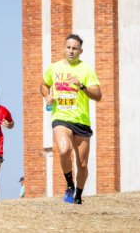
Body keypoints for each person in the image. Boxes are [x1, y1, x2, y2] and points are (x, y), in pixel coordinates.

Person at [40, 34, 101, 204]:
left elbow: (98, 95)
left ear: (80, 51)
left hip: (81, 120)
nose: (71, 51)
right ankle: (69, 185)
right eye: (68, 47)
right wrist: (47, 95)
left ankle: (78, 196)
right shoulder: (54, 68)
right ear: (64, 48)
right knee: (64, 150)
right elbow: (44, 85)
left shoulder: (86, 70)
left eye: (75, 48)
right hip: (61, 117)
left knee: (82, 164)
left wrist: (82, 86)